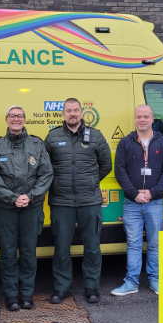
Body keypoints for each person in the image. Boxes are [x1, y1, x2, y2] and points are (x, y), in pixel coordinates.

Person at [44, 98, 112, 304]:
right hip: (61, 202)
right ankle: (61, 288)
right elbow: (45, 167)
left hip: (89, 201)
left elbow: (106, 165)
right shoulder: (52, 136)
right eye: (68, 111)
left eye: (76, 110)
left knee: (92, 247)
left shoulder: (96, 136)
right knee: (62, 248)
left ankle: (92, 287)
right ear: (63, 114)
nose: (72, 114)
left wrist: (91, 182)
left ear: (81, 113)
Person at [0, 105, 53, 311]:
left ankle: (26, 294)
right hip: (5, 208)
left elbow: (46, 174)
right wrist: (13, 198)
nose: (16, 119)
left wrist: (29, 197)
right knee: (7, 253)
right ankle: (11, 295)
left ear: (25, 119)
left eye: (20, 116)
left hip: (31, 207)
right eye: (12, 116)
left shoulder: (37, 144)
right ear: (7, 119)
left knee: (28, 253)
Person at [112, 105, 163, 296]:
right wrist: (134, 193)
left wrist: (153, 192)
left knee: (155, 244)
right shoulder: (125, 142)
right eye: (139, 116)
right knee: (133, 243)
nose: (142, 120)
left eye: (146, 116)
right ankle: (131, 282)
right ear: (135, 118)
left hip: (154, 203)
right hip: (132, 202)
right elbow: (119, 170)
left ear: (152, 118)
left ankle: (155, 280)